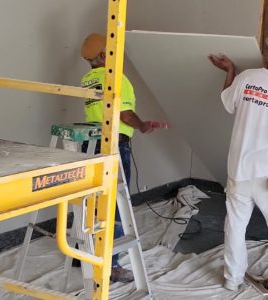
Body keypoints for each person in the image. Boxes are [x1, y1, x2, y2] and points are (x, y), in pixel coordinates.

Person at [208, 33, 268, 297]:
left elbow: (228, 103)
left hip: (240, 170)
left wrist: (229, 71)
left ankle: (232, 279)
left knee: (236, 226)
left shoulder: (247, 78)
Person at [80, 32, 162, 283]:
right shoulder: (116, 78)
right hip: (114, 145)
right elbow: (125, 114)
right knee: (113, 205)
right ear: (105, 54)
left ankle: (83, 253)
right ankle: (111, 266)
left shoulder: (87, 78)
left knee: (91, 202)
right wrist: (143, 126)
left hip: (89, 143)